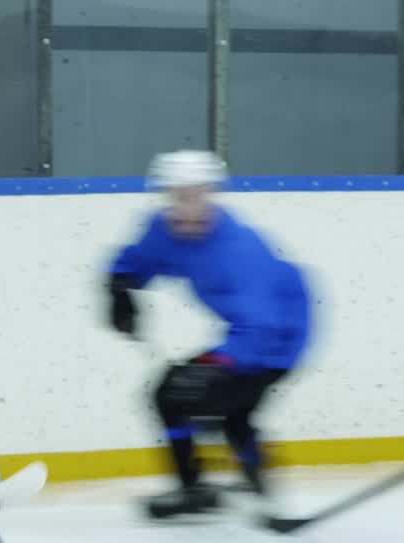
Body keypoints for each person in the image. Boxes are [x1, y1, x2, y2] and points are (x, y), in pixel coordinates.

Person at [106, 150, 311, 519]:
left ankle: (198, 488)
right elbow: (139, 258)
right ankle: (250, 478)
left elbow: (261, 325)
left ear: (209, 193)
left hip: (282, 335)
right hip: (249, 332)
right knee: (224, 408)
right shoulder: (166, 228)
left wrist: (218, 363)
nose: (183, 207)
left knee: (178, 397)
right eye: (174, 196)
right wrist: (119, 287)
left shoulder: (240, 252)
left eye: (193, 195)